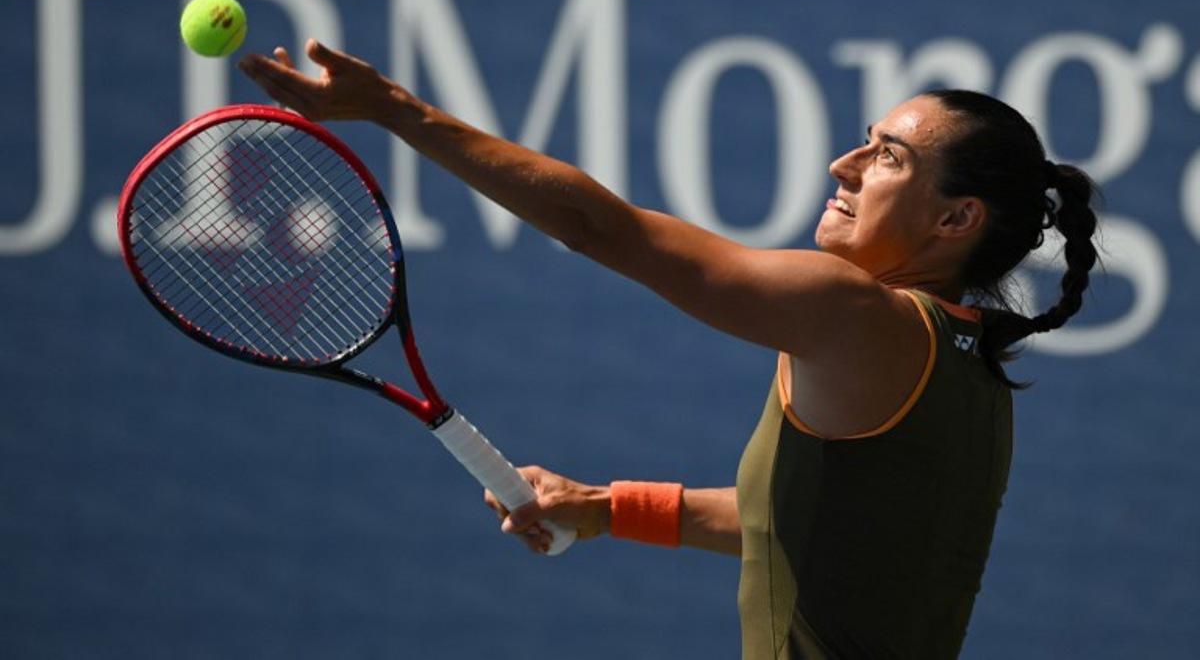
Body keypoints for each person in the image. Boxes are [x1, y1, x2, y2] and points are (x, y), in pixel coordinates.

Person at [239, 41, 1099, 659]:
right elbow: (789, 524)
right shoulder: (963, 360)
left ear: (956, 219)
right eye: (864, 141)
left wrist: (398, 111)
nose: (843, 163)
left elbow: (602, 231)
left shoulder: (854, 314)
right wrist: (609, 507)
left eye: (887, 158)